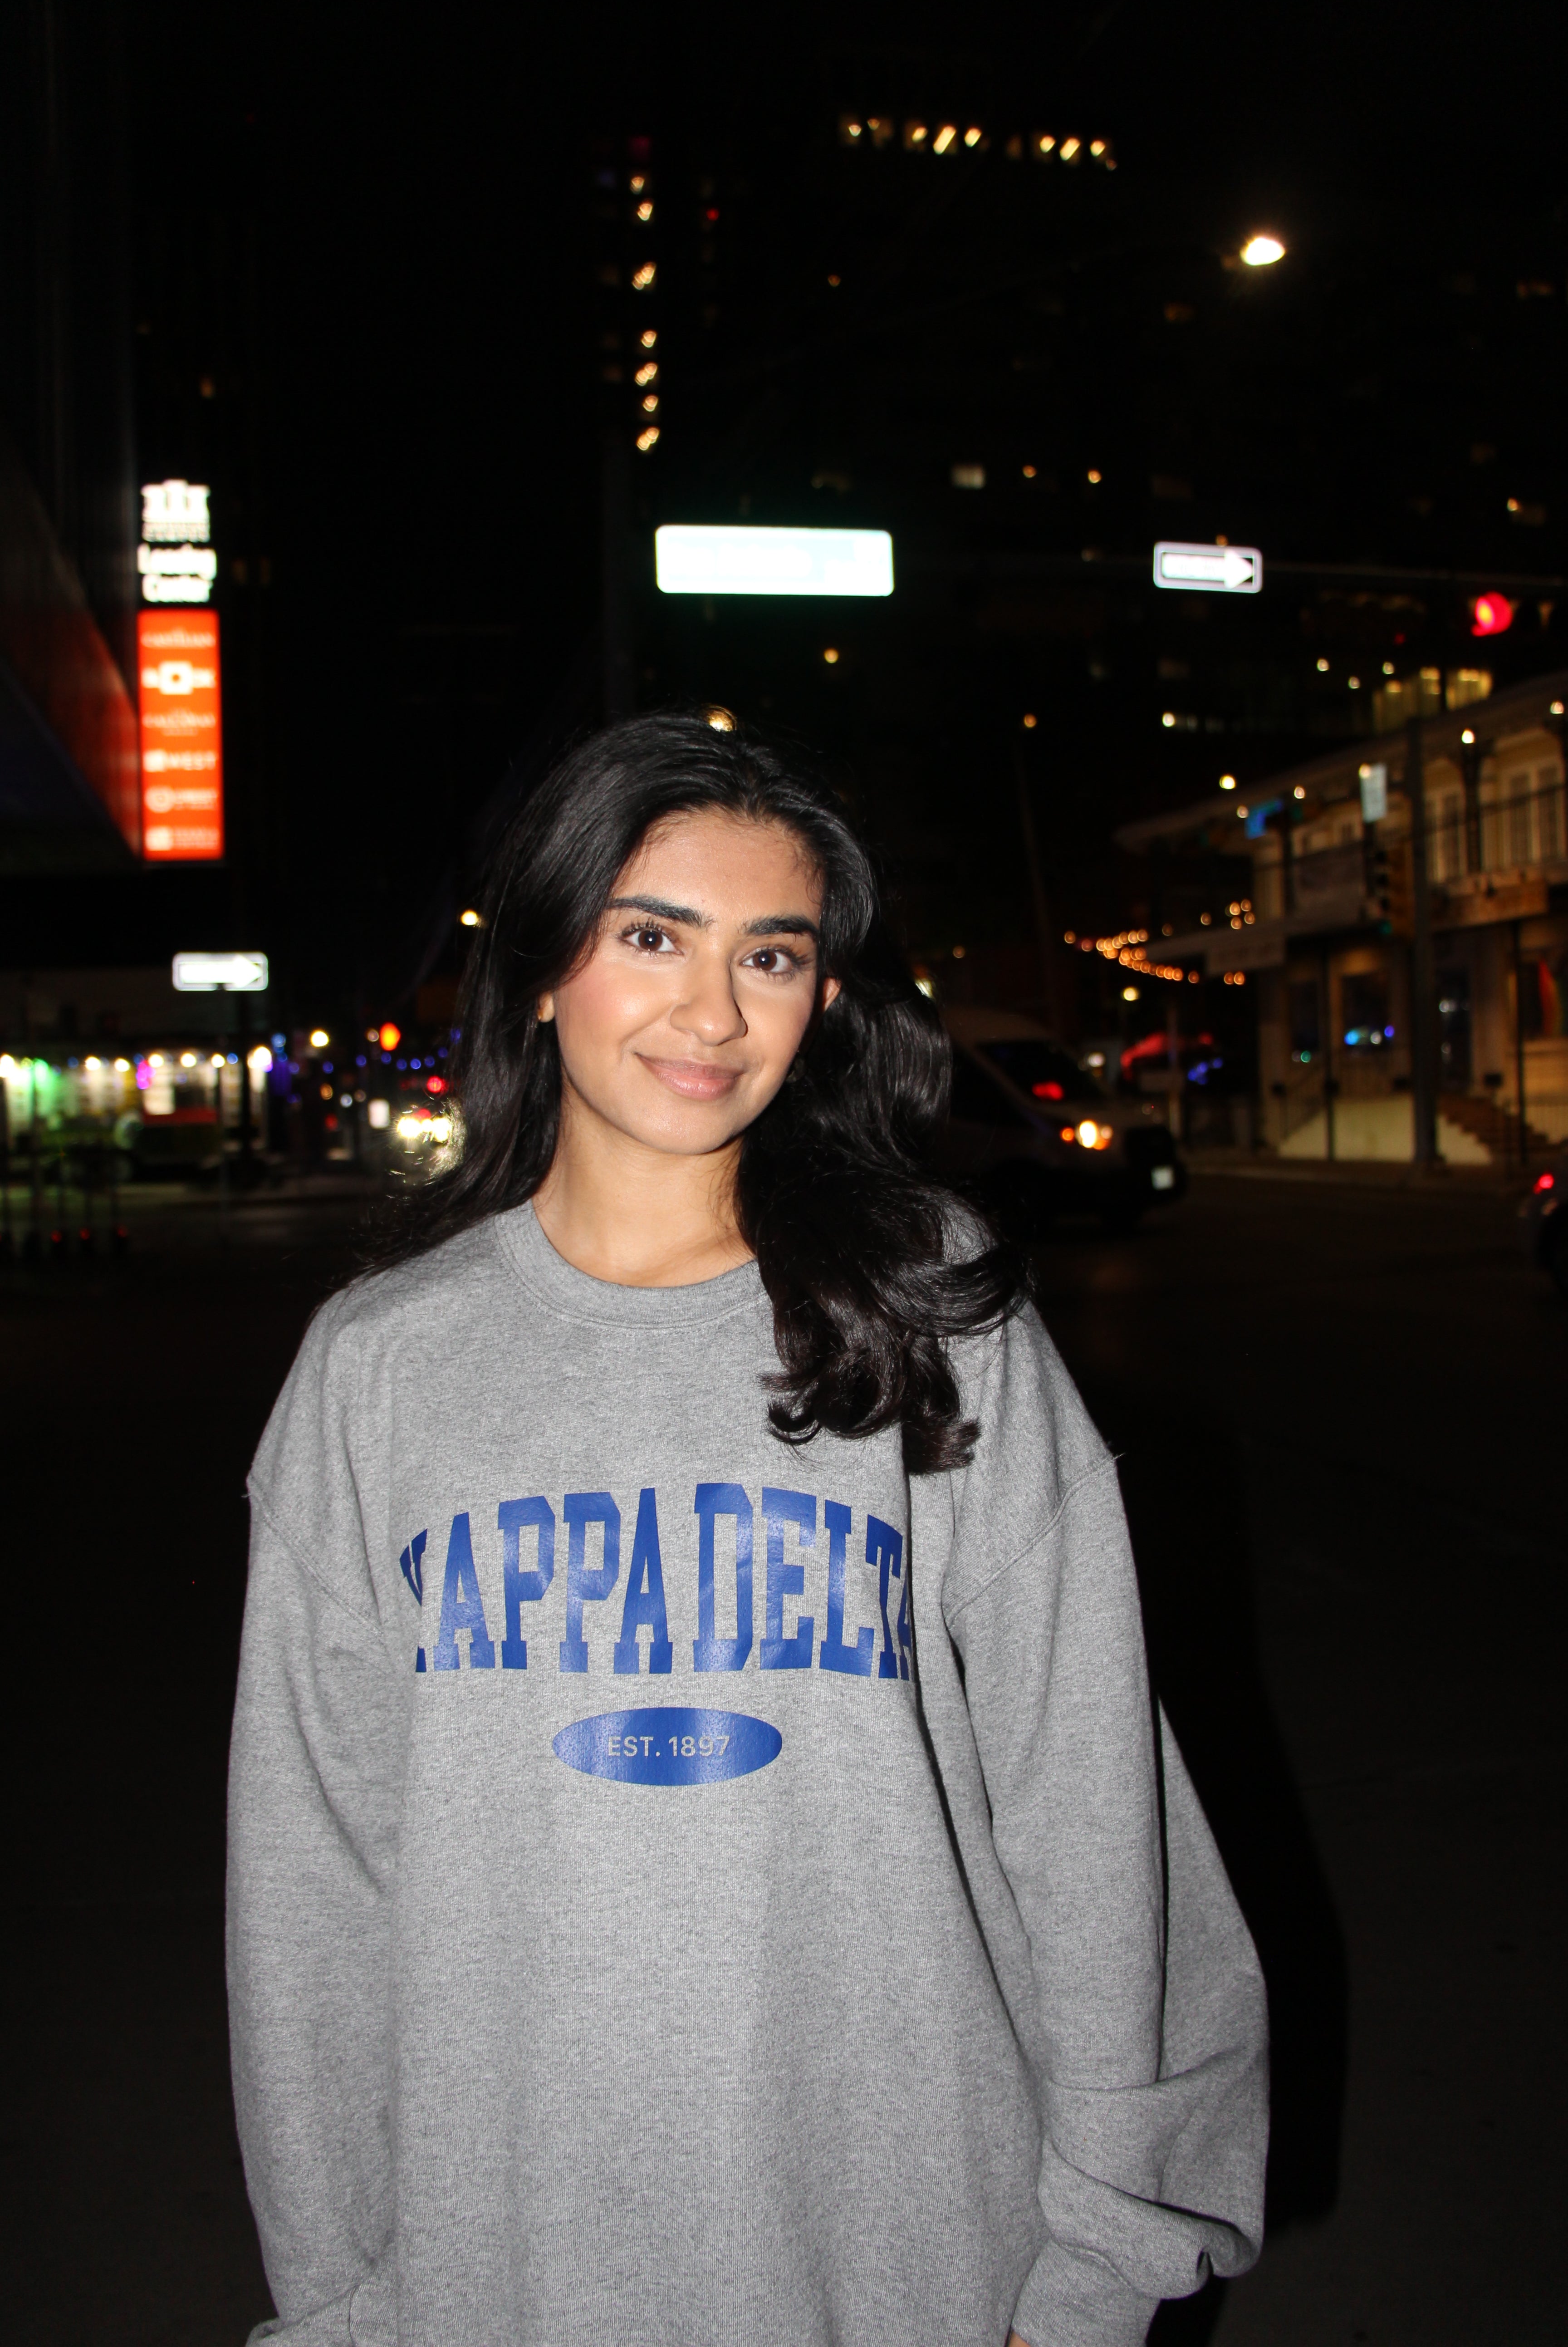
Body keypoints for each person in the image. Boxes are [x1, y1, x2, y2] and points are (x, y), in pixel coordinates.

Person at [227, 711, 1267, 2347]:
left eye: (770, 955)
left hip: (920, 2252)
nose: (713, 1012)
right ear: (544, 967)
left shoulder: (932, 1312)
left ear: (824, 1000)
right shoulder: (381, 1370)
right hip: (507, 2268)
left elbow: (1094, 1811)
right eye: (653, 937)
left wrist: (1101, 2262)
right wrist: (342, 2297)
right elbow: (311, 1892)